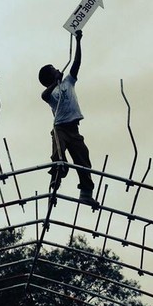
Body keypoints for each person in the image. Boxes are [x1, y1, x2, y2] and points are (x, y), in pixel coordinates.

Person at [38, 29, 96, 205]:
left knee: (83, 160)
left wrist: (78, 41)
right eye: (54, 70)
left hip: (74, 129)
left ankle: (86, 194)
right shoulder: (51, 92)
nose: (58, 70)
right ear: (50, 77)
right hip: (60, 129)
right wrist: (55, 82)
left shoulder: (68, 82)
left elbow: (76, 62)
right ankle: (54, 188)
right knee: (59, 158)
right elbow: (43, 96)